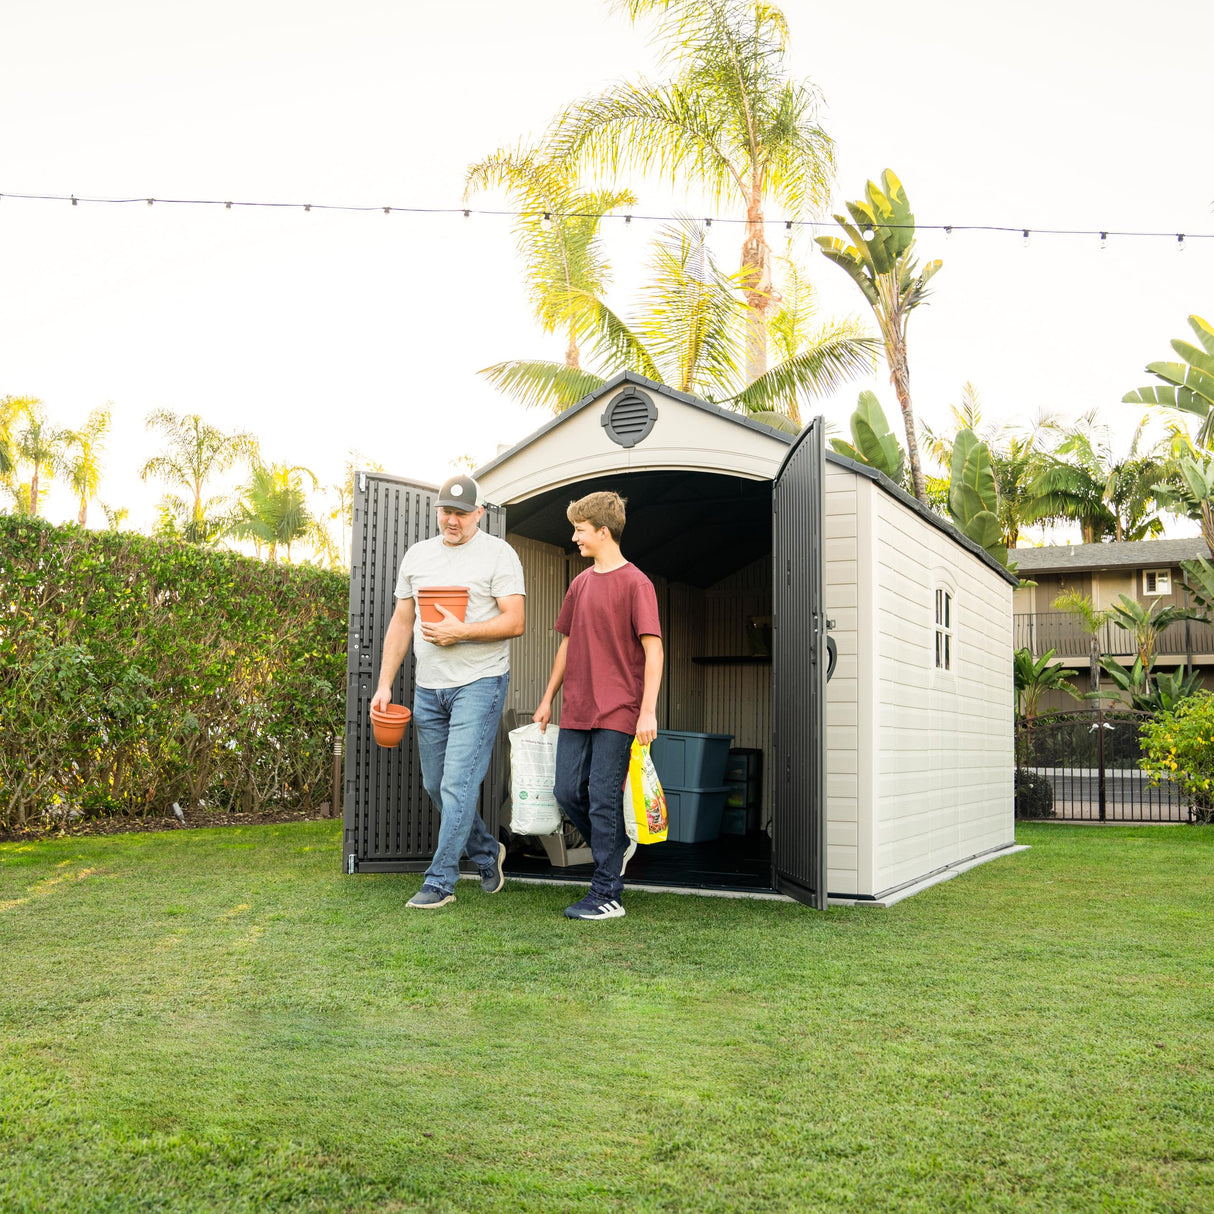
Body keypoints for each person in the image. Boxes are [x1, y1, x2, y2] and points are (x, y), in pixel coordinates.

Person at [371, 474, 525, 909]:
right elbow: (403, 622)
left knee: (458, 783)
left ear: (479, 513)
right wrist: (385, 684)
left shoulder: (499, 554)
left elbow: (516, 621)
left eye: (460, 512)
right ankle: (484, 850)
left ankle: (440, 880)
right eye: (445, 511)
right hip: (428, 687)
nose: (451, 520)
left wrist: (463, 632)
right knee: (436, 784)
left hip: (480, 681)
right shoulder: (419, 556)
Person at [534, 491, 663, 920]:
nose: (575, 538)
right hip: (577, 708)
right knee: (567, 791)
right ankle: (616, 848)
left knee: (602, 796)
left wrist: (647, 711)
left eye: (580, 530)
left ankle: (607, 893)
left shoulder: (636, 584)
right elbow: (567, 645)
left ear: (603, 532)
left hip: (620, 710)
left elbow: (654, 650)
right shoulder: (580, 584)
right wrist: (547, 698)